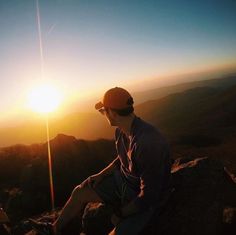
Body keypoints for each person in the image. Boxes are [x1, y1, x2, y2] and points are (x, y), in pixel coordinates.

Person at [30, 87, 172, 235]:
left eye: (104, 111)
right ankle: (54, 230)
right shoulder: (122, 130)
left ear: (113, 113)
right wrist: (101, 175)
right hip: (124, 183)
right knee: (79, 192)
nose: (103, 114)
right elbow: (123, 159)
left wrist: (121, 213)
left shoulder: (147, 143)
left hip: (142, 199)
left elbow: (149, 196)